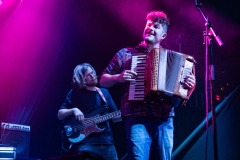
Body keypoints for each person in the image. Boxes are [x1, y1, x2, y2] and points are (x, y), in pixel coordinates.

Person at [99, 11, 196, 160]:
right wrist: (118, 77)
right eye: (148, 24)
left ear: (163, 35)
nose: (150, 28)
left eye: (156, 26)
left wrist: (189, 85)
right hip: (137, 117)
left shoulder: (174, 58)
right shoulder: (126, 53)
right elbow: (103, 80)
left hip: (164, 118)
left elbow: (183, 93)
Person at [58, 63, 121, 160]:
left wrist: (126, 114)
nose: (93, 76)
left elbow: (116, 118)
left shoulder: (104, 92)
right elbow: (60, 114)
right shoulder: (75, 93)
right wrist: (74, 110)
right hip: (86, 145)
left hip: (108, 144)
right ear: (82, 78)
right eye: (88, 75)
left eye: (93, 73)